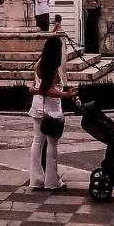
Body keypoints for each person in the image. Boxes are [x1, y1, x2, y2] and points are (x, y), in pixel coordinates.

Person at [28, 35, 76, 191]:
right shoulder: (53, 67)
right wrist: (66, 95)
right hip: (51, 109)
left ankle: (36, 179)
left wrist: (34, 90)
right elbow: (48, 90)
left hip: (37, 108)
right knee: (52, 145)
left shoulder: (39, 64)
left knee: (37, 142)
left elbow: (36, 87)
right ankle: (51, 181)